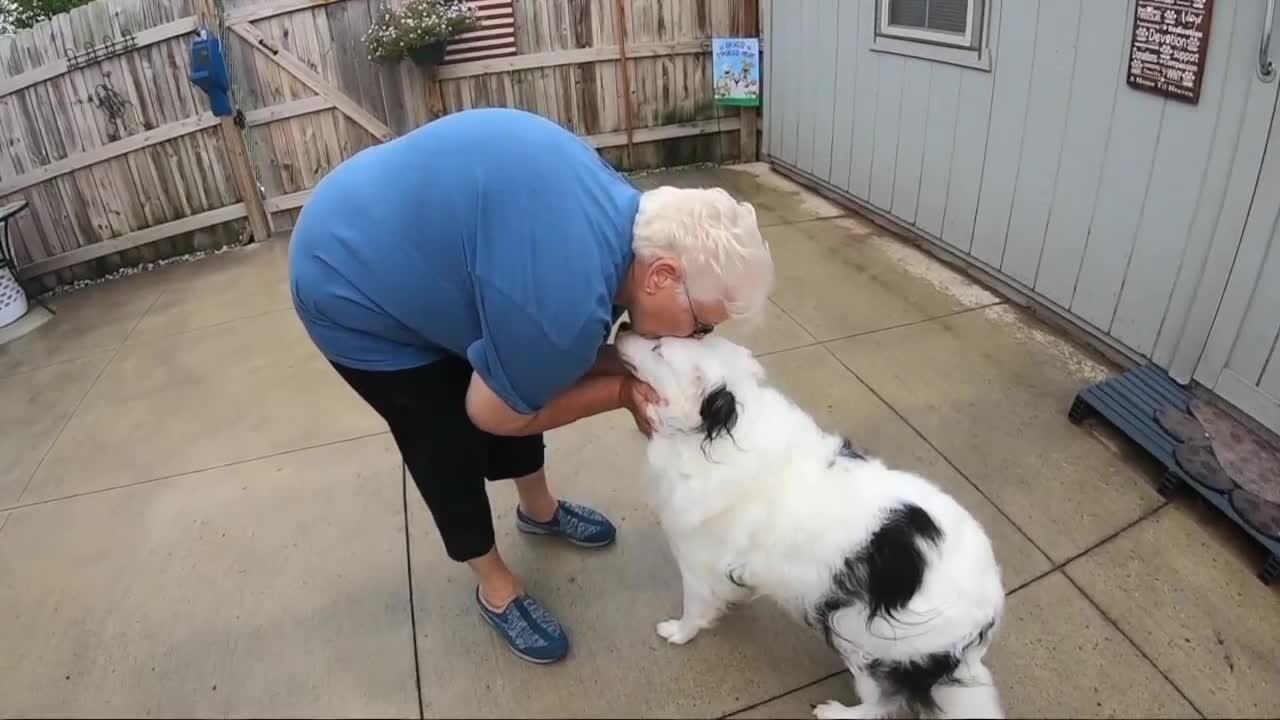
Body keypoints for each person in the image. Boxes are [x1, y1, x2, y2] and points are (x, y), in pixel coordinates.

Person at [288, 107, 774, 664]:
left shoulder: (636, 218)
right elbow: (495, 414)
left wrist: (620, 368)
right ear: (662, 276)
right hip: (346, 279)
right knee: (442, 433)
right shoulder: (562, 312)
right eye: (703, 323)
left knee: (523, 370)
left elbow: (535, 365)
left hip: (391, 220)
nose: (698, 337)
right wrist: (619, 391)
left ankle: (538, 512)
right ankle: (495, 587)